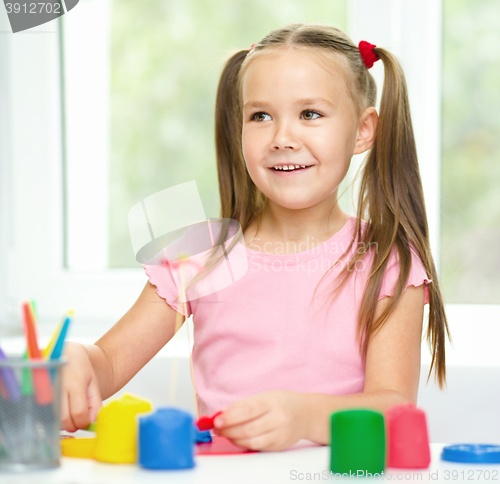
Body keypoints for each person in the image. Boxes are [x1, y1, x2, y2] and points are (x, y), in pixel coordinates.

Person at [61, 23, 450, 452]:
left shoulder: (388, 261)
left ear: (362, 130)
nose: (282, 138)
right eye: (260, 116)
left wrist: (303, 416)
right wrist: (79, 363)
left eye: (310, 114)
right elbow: (110, 361)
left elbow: (394, 410)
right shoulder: (199, 252)